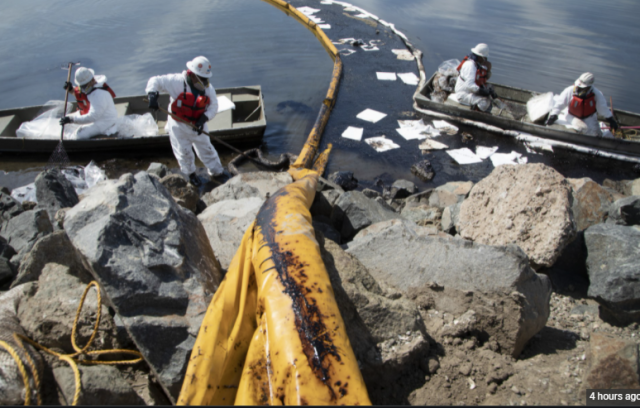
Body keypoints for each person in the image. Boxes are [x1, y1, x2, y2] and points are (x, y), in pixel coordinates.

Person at [145, 56, 224, 186]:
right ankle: (191, 175)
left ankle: (217, 173)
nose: (204, 82)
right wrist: (152, 94)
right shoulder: (176, 81)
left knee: (207, 150)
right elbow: (155, 81)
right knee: (183, 152)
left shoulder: (208, 89)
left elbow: (214, 107)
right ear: (192, 75)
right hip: (178, 125)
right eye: (202, 78)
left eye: (206, 79)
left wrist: (204, 118)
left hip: (198, 124)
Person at [545, 72, 618, 137]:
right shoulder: (570, 90)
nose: (580, 89)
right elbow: (559, 104)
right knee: (582, 128)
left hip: (589, 117)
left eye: (583, 88)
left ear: (589, 87)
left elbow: (603, 108)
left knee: (597, 135)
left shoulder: (596, 94)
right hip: (571, 115)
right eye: (579, 87)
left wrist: (611, 119)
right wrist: (554, 115)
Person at [59, 67, 118, 139]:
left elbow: (93, 116)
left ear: (92, 80)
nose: (83, 89)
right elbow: (81, 95)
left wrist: (72, 119)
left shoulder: (99, 95)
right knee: (65, 123)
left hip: (104, 122)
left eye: (84, 86)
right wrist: (71, 89)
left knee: (78, 136)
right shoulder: (91, 88)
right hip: (95, 116)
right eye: (82, 86)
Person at [452, 43, 497, 113]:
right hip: (463, 94)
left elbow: (481, 78)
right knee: (484, 101)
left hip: (469, 90)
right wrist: (482, 91)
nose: (485, 60)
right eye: (484, 58)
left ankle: (478, 107)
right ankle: (475, 114)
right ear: (480, 57)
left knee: (490, 88)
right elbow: (469, 85)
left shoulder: (476, 64)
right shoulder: (470, 66)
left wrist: (488, 72)